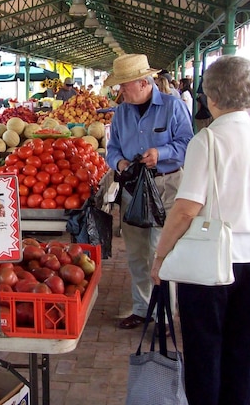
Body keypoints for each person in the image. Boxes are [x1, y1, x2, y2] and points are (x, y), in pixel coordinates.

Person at [151, 55, 250, 405]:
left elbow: (185, 210)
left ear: (210, 97)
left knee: (204, 350)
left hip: (209, 265)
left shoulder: (207, 141)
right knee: (244, 351)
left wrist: (161, 256)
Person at [105, 54, 193, 330]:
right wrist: (118, 161)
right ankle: (142, 309)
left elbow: (188, 143)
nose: (120, 91)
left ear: (143, 83)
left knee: (161, 251)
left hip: (166, 186)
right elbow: (112, 149)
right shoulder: (120, 113)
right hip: (133, 189)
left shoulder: (172, 107)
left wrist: (161, 153)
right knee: (137, 252)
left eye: (124, 85)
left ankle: (164, 314)